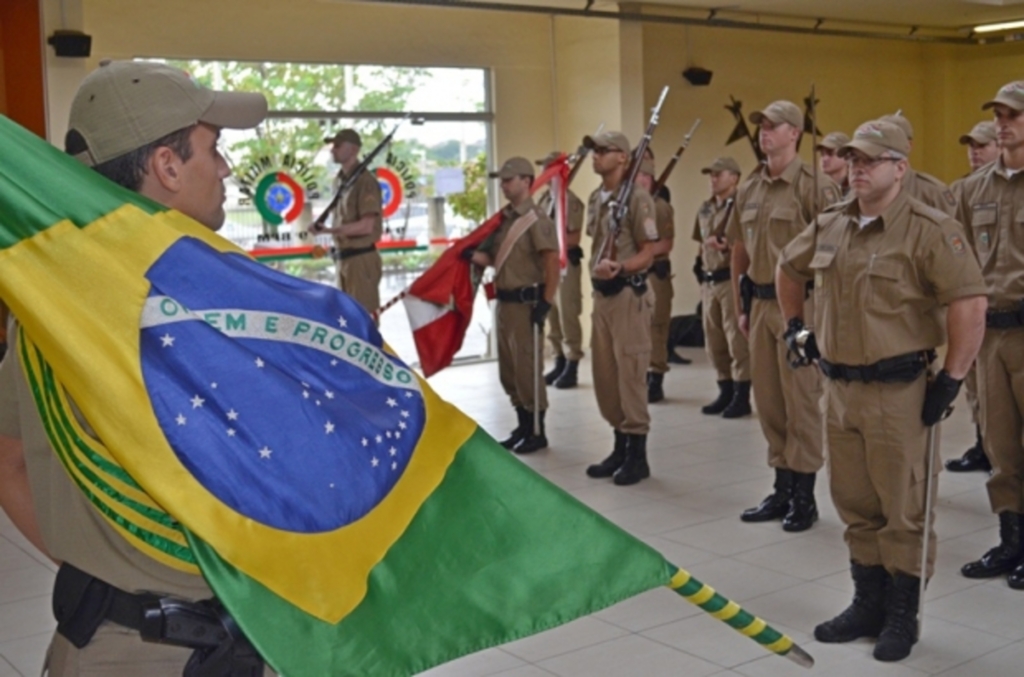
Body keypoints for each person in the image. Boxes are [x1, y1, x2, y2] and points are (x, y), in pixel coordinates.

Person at [0, 60, 271, 675]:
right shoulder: (218, 304)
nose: (226, 169)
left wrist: (104, 570)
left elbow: (7, 460)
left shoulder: (43, 302)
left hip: (102, 643)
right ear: (167, 167)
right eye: (214, 149)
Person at [778, 119, 986, 662]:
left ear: (900, 167)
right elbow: (786, 266)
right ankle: (866, 602)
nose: (859, 168)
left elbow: (969, 302)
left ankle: (902, 614)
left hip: (900, 392)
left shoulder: (929, 228)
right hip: (840, 387)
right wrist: (796, 326)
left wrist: (953, 378)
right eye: (853, 159)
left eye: (872, 159)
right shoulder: (832, 224)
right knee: (855, 503)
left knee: (904, 508)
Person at [726, 100, 839, 532]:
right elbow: (740, 248)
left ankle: (805, 496)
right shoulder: (750, 187)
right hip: (759, 304)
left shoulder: (815, 186)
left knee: (802, 402)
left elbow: (832, 257)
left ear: (795, 133)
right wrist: (741, 306)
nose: (764, 132)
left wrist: (821, 320)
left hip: (801, 307)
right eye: (762, 125)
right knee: (769, 401)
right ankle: (781, 486)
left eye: (773, 126)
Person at [956, 81, 1024, 589]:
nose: (1003, 122)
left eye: (1013, 114)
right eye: (998, 113)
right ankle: (1011, 540)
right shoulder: (971, 190)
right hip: (990, 334)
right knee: (1000, 445)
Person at [582, 131, 658, 486]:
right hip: (603, 298)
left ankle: (637, 455)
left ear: (623, 158)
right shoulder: (597, 198)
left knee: (630, 376)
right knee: (606, 377)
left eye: (603, 150)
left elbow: (648, 251)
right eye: (594, 151)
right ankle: (619, 445)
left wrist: (622, 267)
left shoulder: (639, 198)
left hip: (628, 295)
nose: (595, 156)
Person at [470, 157, 559, 454]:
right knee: (508, 370)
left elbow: (550, 263)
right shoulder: (504, 220)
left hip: (526, 303)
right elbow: (497, 259)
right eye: (502, 180)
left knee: (527, 368)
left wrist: (546, 302)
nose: (504, 185)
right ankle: (522, 423)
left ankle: (537, 429)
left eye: (510, 179)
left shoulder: (535, 219)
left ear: (526, 181)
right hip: (505, 303)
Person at [946, 120, 1000, 474]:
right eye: (970, 146)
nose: (974, 152)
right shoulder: (964, 191)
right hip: (975, 309)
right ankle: (984, 445)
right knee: (976, 386)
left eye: (982, 145)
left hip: (1009, 311)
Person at [693, 157, 751, 418]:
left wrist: (727, 247)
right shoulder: (705, 208)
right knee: (713, 339)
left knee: (735, 340)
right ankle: (724, 389)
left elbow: (751, 243)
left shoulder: (743, 206)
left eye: (719, 174)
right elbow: (700, 242)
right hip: (709, 281)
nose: (713, 179)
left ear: (734, 178)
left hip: (730, 279)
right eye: (711, 175)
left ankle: (741, 395)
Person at [319, 128, 384, 316]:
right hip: (343, 259)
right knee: (346, 320)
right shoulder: (339, 181)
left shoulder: (365, 182)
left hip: (360, 260)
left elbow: (366, 226)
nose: (333, 150)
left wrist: (329, 231)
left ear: (354, 149)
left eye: (338, 146)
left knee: (363, 320)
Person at [536, 152, 585, 390]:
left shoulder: (570, 201)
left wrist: (550, 243)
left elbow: (573, 237)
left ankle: (572, 362)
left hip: (565, 265)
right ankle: (559, 359)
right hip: (547, 266)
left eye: (547, 169)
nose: (543, 175)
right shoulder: (546, 200)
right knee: (552, 313)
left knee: (567, 313)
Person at [636, 159, 675, 403]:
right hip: (636, 274)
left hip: (655, 273)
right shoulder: (633, 205)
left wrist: (641, 253)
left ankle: (656, 378)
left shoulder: (660, 207)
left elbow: (666, 243)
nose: (638, 180)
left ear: (650, 180)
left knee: (657, 328)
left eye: (643, 176)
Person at [877, 114, 958, 216]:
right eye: (878, 142)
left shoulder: (932, 193)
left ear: (909, 146)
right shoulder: (863, 189)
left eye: (892, 141)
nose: (883, 148)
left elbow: (952, 229)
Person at [817, 131, 850, 196]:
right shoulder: (814, 187)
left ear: (847, 157)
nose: (824, 159)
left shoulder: (856, 188)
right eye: (822, 154)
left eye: (830, 153)